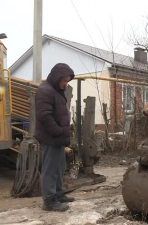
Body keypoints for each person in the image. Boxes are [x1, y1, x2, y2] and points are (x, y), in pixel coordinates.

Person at [35, 63, 75, 211]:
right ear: (57, 77)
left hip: (58, 137)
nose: (65, 83)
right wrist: (58, 131)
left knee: (59, 167)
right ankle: (49, 200)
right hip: (50, 137)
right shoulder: (45, 91)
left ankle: (58, 194)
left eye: (67, 81)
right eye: (64, 80)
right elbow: (44, 116)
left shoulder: (56, 90)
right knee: (50, 169)